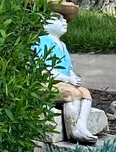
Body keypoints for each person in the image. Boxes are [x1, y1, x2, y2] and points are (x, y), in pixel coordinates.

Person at [35, 14, 99, 143]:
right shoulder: (40, 41)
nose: (64, 21)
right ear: (44, 23)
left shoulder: (62, 45)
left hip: (63, 81)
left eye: (64, 19)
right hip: (47, 82)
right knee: (72, 93)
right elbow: (42, 69)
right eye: (57, 19)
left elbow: (68, 67)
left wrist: (73, 77)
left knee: (85, 93)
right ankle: (73, 131)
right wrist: (67, 79)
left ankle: (81, 126)